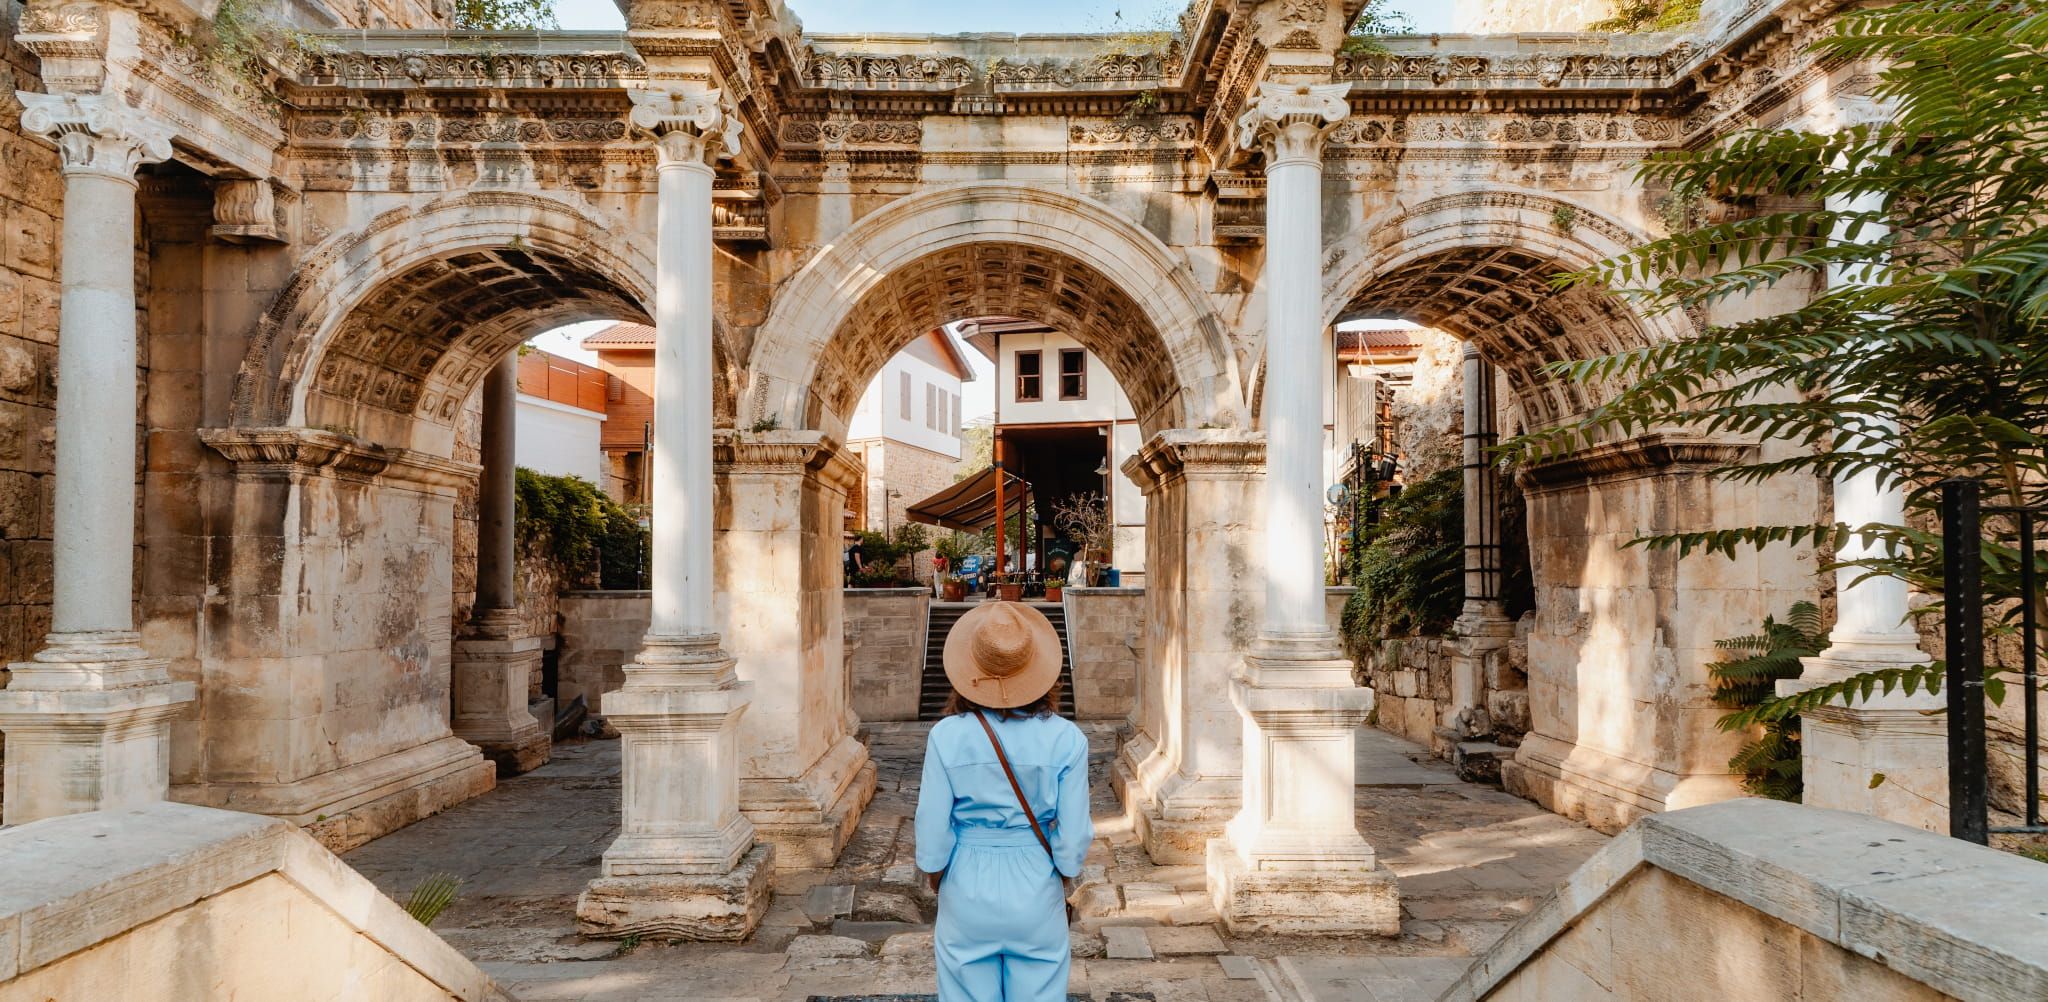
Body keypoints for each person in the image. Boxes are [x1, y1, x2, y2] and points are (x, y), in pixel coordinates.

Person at [915, 602, 1090, 1002]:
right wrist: (1063, 871)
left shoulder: (946, 736)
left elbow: (932, 823)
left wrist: (936, 871)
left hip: (966, 876)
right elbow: (1074, 831)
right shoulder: (1066, 739)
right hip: (1035, 875)